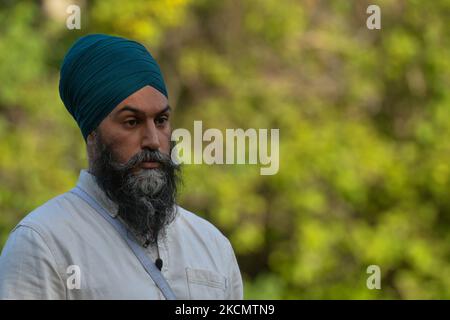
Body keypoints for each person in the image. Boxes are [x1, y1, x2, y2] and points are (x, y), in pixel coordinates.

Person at [0, 34, 243, 300]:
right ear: (91, 133)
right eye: (131, 122)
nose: (153, 140)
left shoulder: (211, 244)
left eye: (161, 120)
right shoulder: (43, 243)